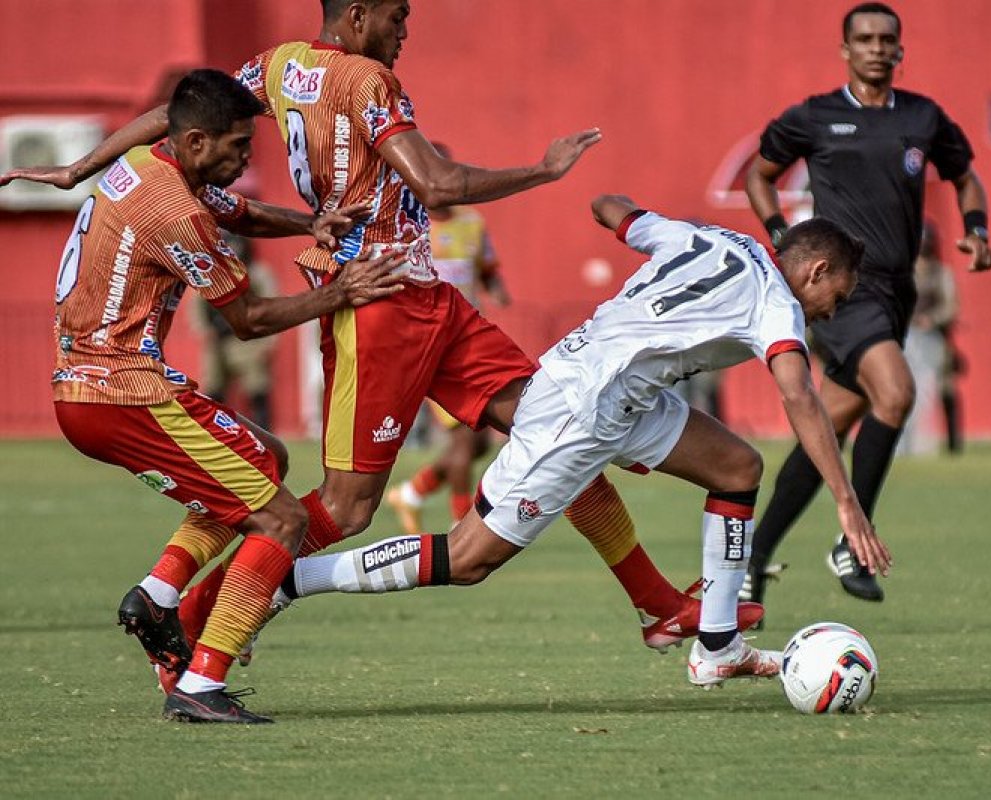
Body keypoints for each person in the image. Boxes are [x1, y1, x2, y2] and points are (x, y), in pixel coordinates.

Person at [6, 0, 760, 681]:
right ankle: (199, 622)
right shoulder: (368, 80)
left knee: (562, 430)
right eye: (398, 16)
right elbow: (435, 184)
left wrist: (84, 164)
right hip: (378, 305)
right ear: (358, 15)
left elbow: (177, 117)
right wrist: (540, 169)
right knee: (346, 504)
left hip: (428, 295)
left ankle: (658, 604)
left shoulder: (277, 68)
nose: (407, 30)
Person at [272, 197, 891, 688]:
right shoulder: (777, 306)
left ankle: (717, 648)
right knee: (467, 560)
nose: (830, 314)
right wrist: (845, 501)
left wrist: (627, 238)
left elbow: (609, 206)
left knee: (736, 467)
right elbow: (800, 396)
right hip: (579, 410)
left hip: (618, 391)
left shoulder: (710, 238)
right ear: (816, 271)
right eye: (834, 299)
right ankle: (294, 581)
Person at [42, 69, 405, 723]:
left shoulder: (146, 165)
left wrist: (311, 222)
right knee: (283, 520)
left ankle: (157, 597)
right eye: (239, 147)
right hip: (121, 393)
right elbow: (249, 320)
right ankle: (201, 683)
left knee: (265, 456)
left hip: (105, 382)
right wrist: (341, 293)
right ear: (198, 142)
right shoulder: (175, 211)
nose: (244, 160)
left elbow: (241, 211)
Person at [742, 2, 991, 609]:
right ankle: (853, 542)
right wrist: (784, 238)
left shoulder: (923, 117)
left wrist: (978, 229)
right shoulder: (815, 116)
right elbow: (759, 175)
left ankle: (750, 562)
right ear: (845, 50)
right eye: (865, 38)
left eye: (887, 39)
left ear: (900, 50)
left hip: (897, 292)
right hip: (846, 290)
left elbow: (965, 176)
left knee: (823, 431)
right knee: (898, 392)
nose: (877, 47)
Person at [385, 141, 510, 534]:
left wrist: (497, 287)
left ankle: (412, 493)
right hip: (431, 347)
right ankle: (462, 525)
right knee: (463, 441)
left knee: (479, 443)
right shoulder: (407, 228)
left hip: (470, 339)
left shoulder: (472, 223)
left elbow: (486, 266)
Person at [193, 232, 278, 429]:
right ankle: (215, 433)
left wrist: (267, 344)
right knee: (214, 388)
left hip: (248, 339)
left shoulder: (257, 273)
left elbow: (272, 305)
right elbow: (197, 304)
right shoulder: (212, 273)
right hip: (219, 340)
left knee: (257, 387)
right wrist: (205, 330)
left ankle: (265, 435)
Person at [906, 220, 963, 454]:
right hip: (906, 340)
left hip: (935, 341)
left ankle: (952, 442)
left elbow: (950, 307)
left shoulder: (941, 273)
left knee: (945, 389)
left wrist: (932, 319)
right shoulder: (904, 272)